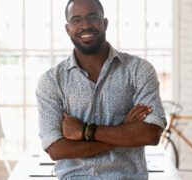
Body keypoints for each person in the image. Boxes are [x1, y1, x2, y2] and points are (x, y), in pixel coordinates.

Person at [36, 0, 167, 179]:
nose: (85, 25)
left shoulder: (138, 70)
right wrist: (124, 130)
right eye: (76, 20)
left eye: (92, 18)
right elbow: (56, 149)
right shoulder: (51, 81)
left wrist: (85, 131)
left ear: (105, 23)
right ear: (67, 29)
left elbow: (151, 134)